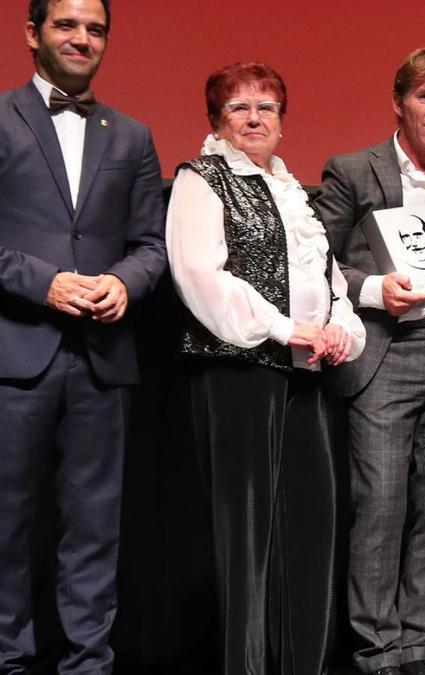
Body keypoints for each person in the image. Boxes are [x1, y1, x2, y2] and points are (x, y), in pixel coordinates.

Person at [166, 61, 365, 675]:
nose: (255, 119)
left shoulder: (291, 190)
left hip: (303, 376)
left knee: (310, 527)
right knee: (246, 542)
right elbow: (200, 278)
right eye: (239, 108)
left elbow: (330, 284)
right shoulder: (202, 180)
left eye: (267, 107)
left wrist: (341, 331)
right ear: (216, 121)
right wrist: (284, 328)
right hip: (238, 376)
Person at [0, 1, 166, 671]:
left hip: (102, 360)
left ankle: (87, 665)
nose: (82, 38)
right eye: (67, 24)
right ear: (32, 32)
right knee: (6, 528)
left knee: (95, 529)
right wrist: (45, 283)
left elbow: (150, 244)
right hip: (16, 354)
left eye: (95, 29)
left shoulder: (130, 134)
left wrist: (127, 281)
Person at [315, 48, 425, 675]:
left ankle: (417, 643)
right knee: (380, 505)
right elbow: (312, 254)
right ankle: (378, 649)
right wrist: (368, 289)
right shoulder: (355, 169)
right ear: (399, 102)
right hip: (388, 349)